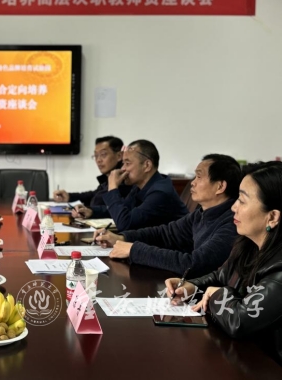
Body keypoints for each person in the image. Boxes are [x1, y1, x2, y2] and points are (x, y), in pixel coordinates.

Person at [166, 162, 282, 366]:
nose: (233, 207)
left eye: (242, 201)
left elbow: (240, 321)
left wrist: (218, 294)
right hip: (242, 357)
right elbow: (220, 276)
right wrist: (191, 286)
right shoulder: (248, 244)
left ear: (272, 217)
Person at [93, 154, 241, 277]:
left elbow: (193, 264)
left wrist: (134, 250)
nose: (192, 183)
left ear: (220, 186)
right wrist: (122, 238)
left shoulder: (232, 223)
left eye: (199, 177)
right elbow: (165, 234)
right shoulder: (201, 214)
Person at [76, 139, 188, 231]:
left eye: (127, 163)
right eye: (123, 163)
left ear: (147, 165)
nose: (123, 168)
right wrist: (92, 211)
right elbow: (123, 209)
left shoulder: (160, 193)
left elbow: (125, 224)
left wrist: (113, 188)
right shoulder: (139, 186)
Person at [53, 136, 130, 216]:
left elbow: (115, 208)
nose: (98, 160)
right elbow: (93, 194)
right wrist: (69, 196)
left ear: (119, 156)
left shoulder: (125, 180)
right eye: (96, 155)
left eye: (103, 154)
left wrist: (91, 211)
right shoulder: (107, 178)